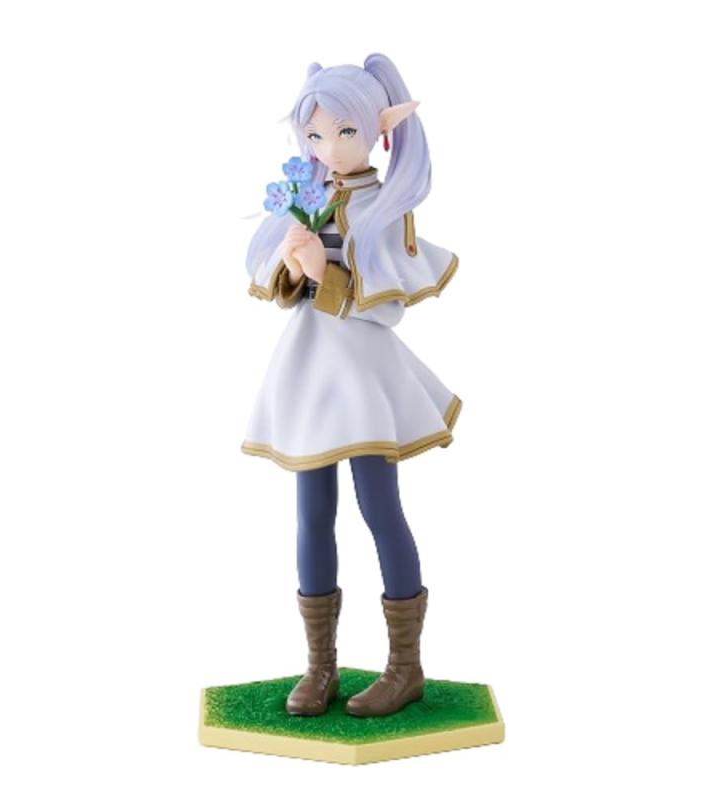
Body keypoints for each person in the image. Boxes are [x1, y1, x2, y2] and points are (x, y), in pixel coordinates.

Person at [242, 53, 461, 717]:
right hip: (312, 370)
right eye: (315, 134)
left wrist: (325, 274)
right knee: (312, 512)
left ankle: (405, 666)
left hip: (363, 375)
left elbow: (387, 309)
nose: (329, 147)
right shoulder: (309, 196)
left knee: (379, 507)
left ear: (379, 130)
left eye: (345, 132)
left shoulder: (384, 207)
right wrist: (295, 266)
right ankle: (321, 666)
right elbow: (283, 291)